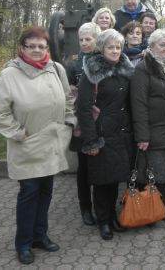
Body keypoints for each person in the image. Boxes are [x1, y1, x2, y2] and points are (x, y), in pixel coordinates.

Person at [0, 26, 75, 265]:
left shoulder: (56, 69)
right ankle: (24, 243)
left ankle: (40, 235)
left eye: (42, 46)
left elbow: (68, 98)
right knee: (29, 193)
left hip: (52, 142)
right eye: (32, 46)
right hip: (27, 145)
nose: (37, 50)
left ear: (47, 48)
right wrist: (18, 133)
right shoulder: (10, 74)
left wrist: (69, 120)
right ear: (22, 48)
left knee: (46, 191)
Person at [76, 29, 135, 240]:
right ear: (101, 48)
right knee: (102, 180)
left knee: (115, 178)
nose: (115, 50)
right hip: (101, 133)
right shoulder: (92, 73)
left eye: (118, 47)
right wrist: (91, 140)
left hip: (121, 132)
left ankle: (113, 216)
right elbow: (83, 108)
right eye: (111, 47)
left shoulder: (125, 70)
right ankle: (103, 221)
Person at [131, 29, 165, 222]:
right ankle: (145, 209)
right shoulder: (143, 68)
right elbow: (138, 104)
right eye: (162, 44)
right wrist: (142, 135)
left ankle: (160, 207)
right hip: (153, 130)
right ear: (152, 46)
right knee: (150, 173)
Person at [66, 22, 101, 227]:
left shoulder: (103, 59)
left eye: (89, 39)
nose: (85, 43)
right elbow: (69, 94)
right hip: (82, 121)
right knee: (84, 168)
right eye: (81, 39)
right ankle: (85, 207)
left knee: (100, 166)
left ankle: (100, 204)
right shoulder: (73, 64)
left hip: (101, 120)